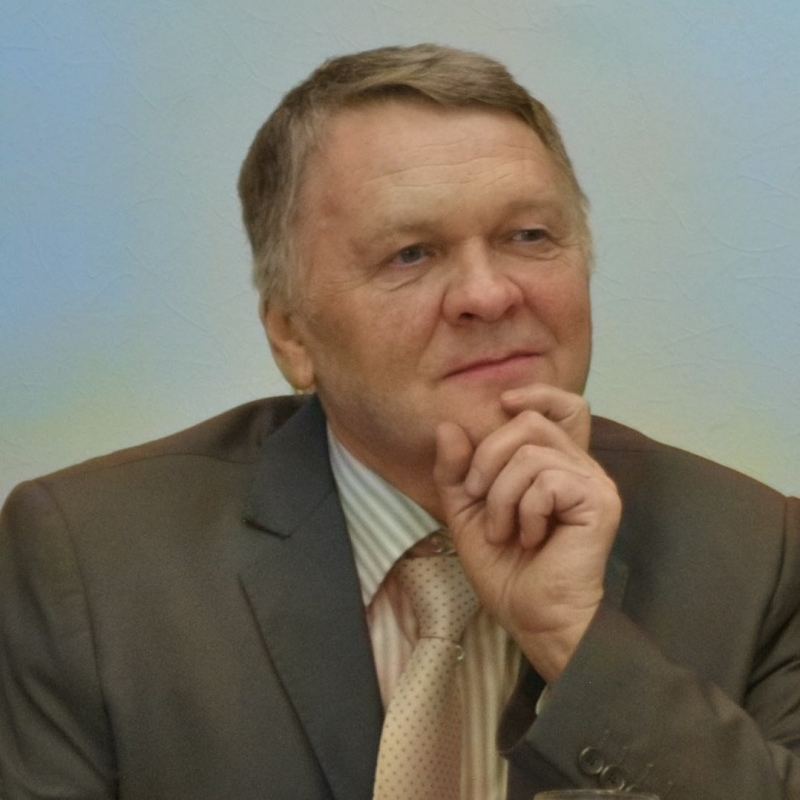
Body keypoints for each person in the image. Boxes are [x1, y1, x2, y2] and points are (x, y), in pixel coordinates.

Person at [1, 43, 798, 800]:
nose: (488, 294)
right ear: (292, 335)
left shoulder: (756, 553)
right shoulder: (92, 563)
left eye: (528, 236)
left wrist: (574, 637)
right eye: (411, 253)